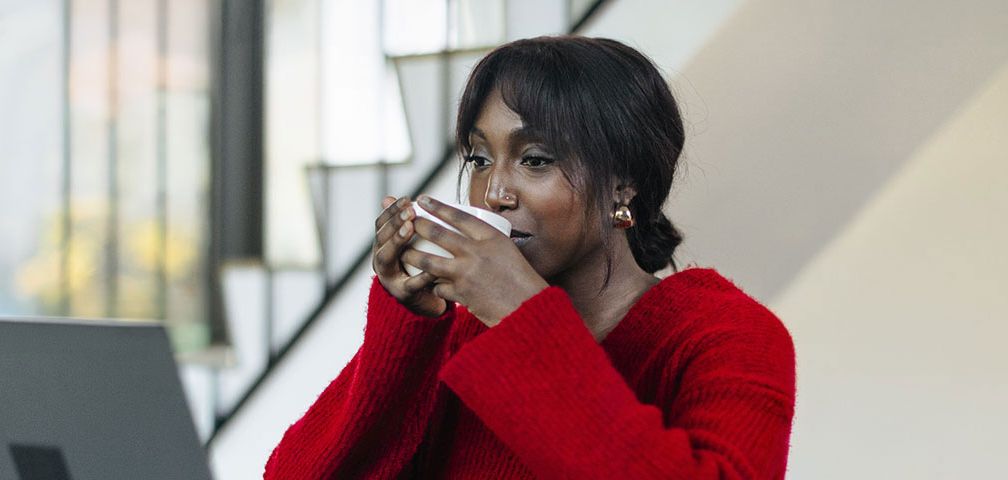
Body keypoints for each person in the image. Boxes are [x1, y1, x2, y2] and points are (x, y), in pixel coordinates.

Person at [265, 36, 796, 479]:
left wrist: (523, 319)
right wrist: (407, 332)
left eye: (535, 159)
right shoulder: (463, 338)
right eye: (478, 158)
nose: (493, 192)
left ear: (623, 183)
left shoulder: (729, 337)